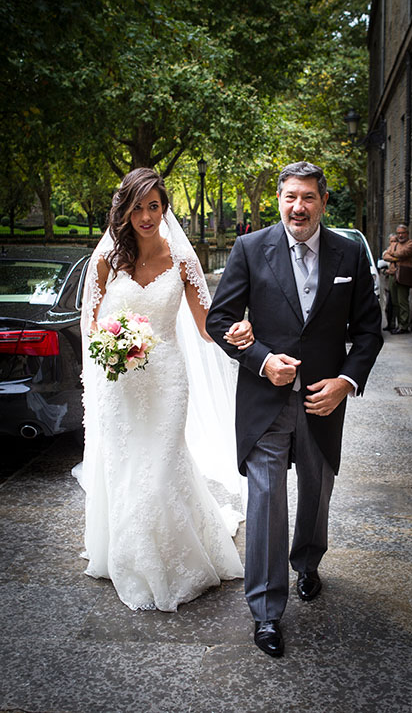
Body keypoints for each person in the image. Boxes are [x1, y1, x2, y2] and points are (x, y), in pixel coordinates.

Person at [207, 161, 383, 657]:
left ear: (323, 202)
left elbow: (369, 331)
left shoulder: (350, 252)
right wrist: (261, 360)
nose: (298, 207)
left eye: (308, 197)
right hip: (265, 402)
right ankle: (265, 611)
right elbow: (220, 319)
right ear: (279, 200)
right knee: (265, 501)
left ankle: (307, 562)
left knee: (316, 491)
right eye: (290, 197)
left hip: (323, 401)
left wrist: (345, 382)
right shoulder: (249, 248)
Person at [75, 167, 255, 612]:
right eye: (137, 207)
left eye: (153, 206)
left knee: (159, 471)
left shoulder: (182, 261)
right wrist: (113, 344)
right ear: (125, 210)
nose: (146, 216)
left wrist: (241, 330)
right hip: (120, 383)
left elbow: (207, 326)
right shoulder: (106, 261)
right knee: (128, 469)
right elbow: (90, 324)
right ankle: (131, 554)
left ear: (164, 209)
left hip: (168, 380)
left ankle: (169, 561)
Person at [382, 223, 412, 334]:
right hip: (393, 275)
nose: (400, 235)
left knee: (402, 301)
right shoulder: (395, 244)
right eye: (398, 233)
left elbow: (402, 253)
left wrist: (392, 255)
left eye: (402, 233)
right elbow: (385, 256)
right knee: (394, 302)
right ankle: (397, 324)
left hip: (403, 276)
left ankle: (404, 326)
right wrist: (395, 258)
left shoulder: (411, 244)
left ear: (407, 233)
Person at [381, 233, 398, 331]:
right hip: (388, 282)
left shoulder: (399, 251)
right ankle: (389, 324)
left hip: (398, 280)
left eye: (395, 241)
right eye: (392, 241)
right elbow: (382, 265)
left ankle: (395, 324)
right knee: (388, 305)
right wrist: (387, 271)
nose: (393, 243)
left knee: (396, 304)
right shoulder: (386, 252)